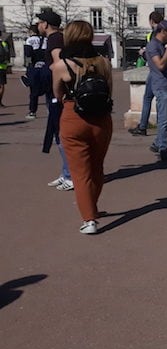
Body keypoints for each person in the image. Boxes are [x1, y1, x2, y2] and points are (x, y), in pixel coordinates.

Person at [53, 20, 113, 234]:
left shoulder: (62, 64)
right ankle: (92, 208)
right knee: (97, 167)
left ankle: (89, 219)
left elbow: (57, 93)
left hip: (73, 116)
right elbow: (110, 90)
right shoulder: (103, 61)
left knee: (80, 172)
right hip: (102, 119)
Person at [35, 10, 73, 190]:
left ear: (46, 24)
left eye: (40, 22)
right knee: (59, 132)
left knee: (60, 133)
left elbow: (58, 64)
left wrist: (42, 74)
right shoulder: (58, 37)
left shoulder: (54, 39)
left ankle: (70, 175)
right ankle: (66, 172)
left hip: (57, 93)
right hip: (56, 91)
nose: (38, 25)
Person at [146, 20, 167, 161]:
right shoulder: (153, 46)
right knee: (164, 119)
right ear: (163, 31)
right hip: (161, 86)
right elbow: (160, 65)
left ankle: (158, 142)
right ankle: (163, 149)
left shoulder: (162, 45)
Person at [129, 11, 165, 136]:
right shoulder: (166, 32)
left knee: (148, 98)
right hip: (166, 70)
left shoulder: (152, 35)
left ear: (151, 21)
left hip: (155, 70)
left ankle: (144, 126)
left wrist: (143, 54)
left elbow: (151, 53)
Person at [22, 24, 46, 118]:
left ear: (31, 31)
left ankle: (32, 111)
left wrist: (27, 68)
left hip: (34, 67)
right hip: (45, 66)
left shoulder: (29, 40)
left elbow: (28, 55)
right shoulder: (46, 39)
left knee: (33, 92)